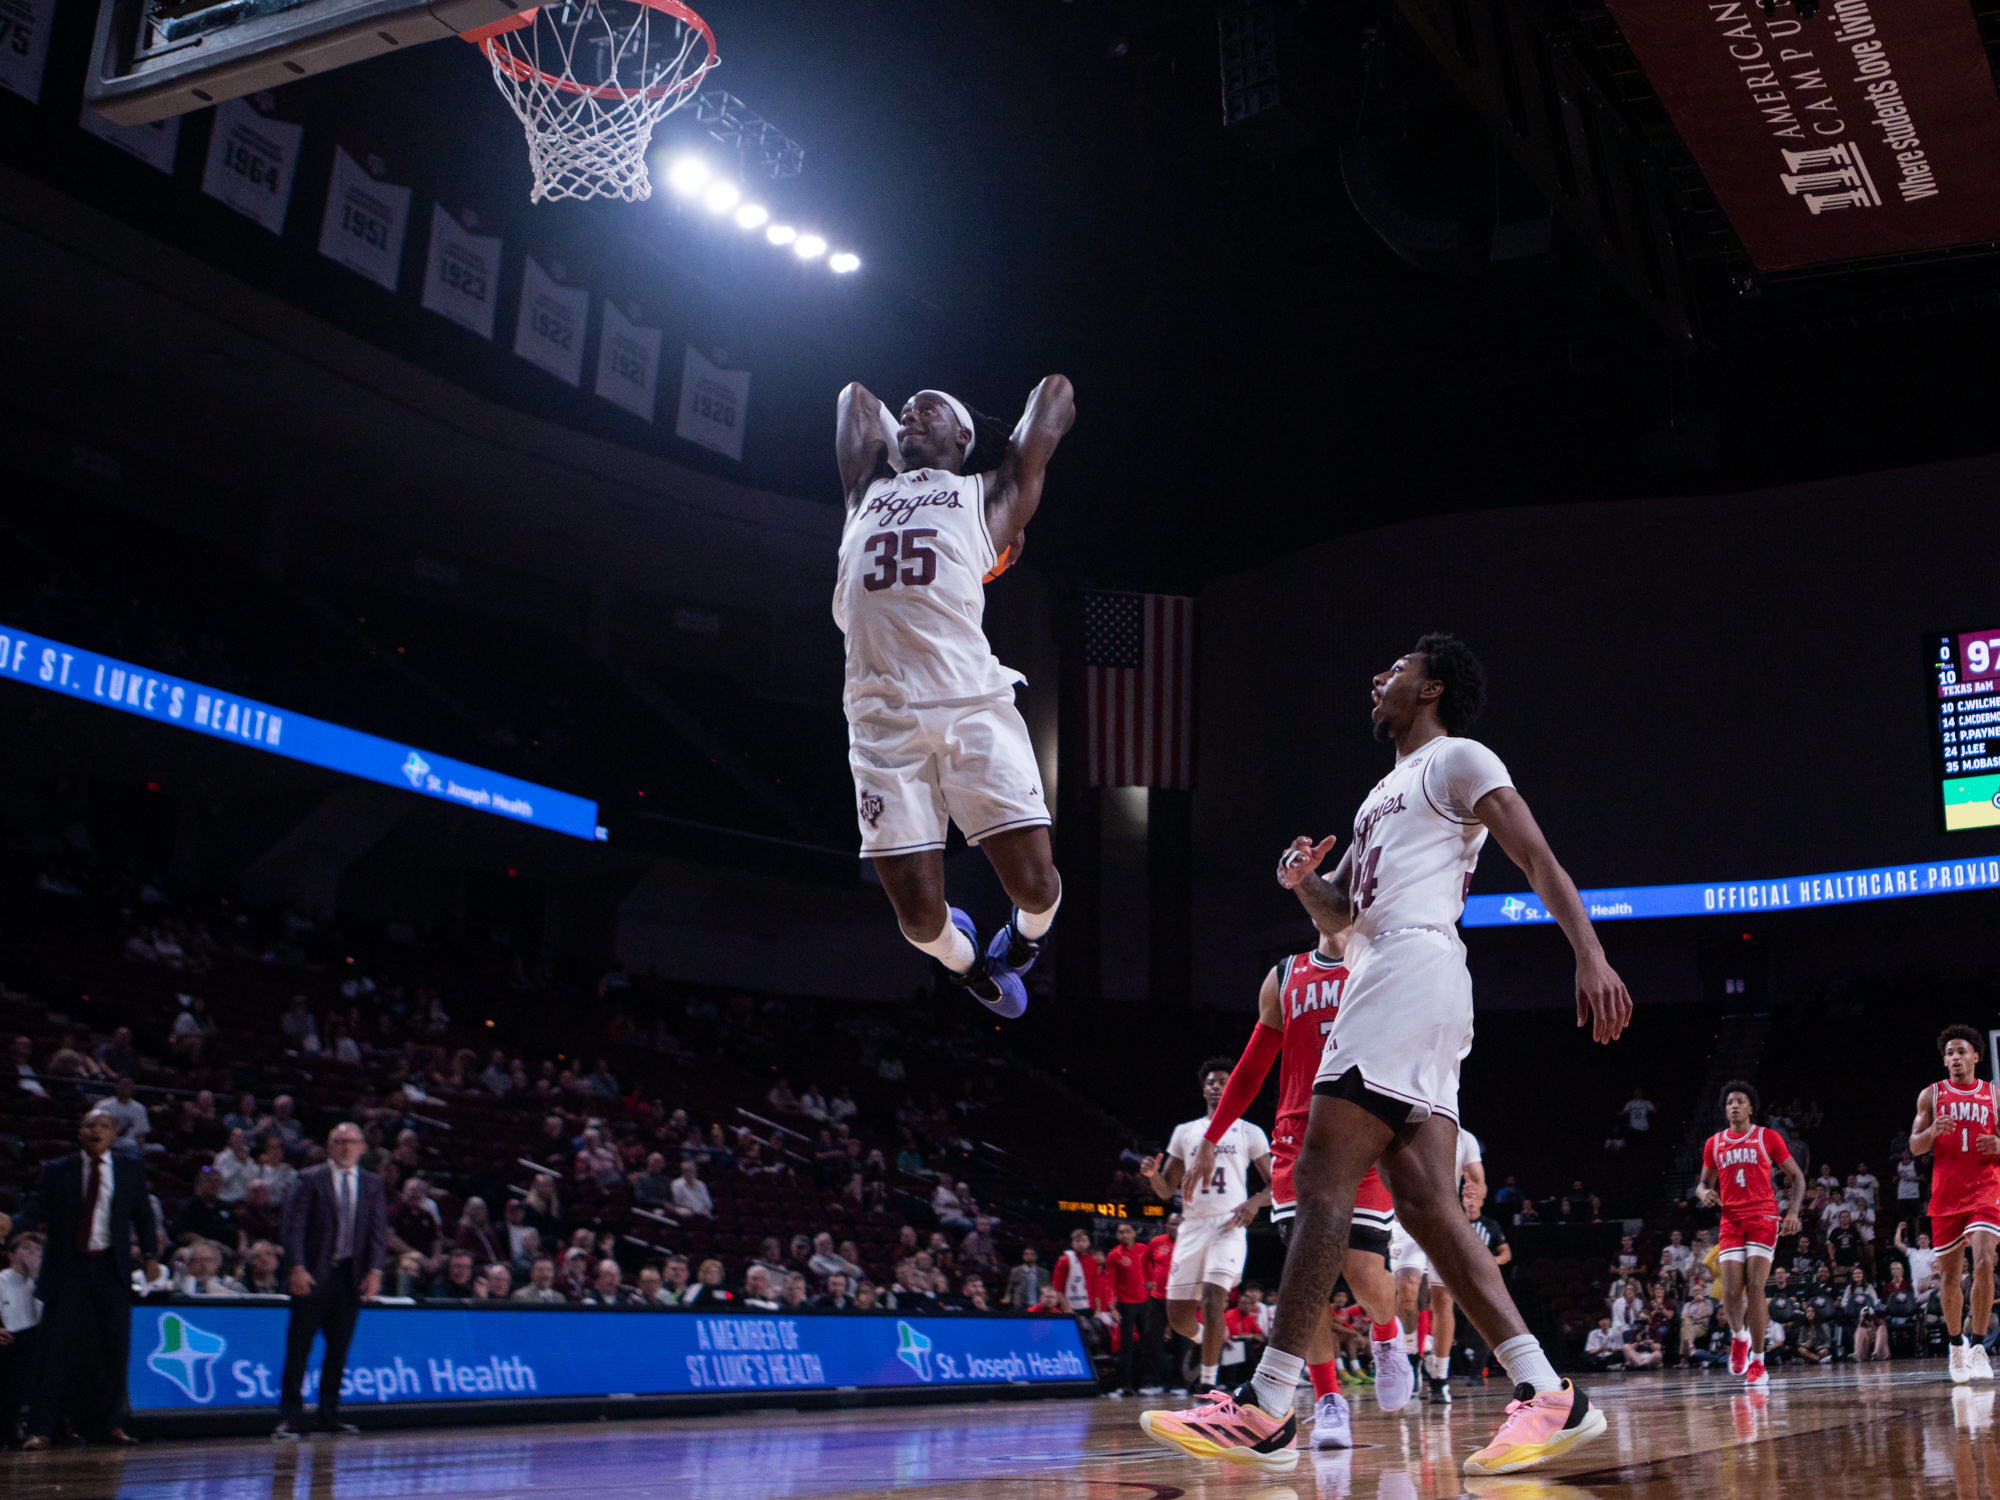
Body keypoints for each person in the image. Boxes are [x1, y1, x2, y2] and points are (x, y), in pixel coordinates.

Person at [1145, 636, 1630, 1477]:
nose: (1378, 677)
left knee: (1322, 1178)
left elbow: (1535, 853)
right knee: (1429, 1209)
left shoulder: (1460, 757)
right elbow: (1347, 920)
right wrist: (1307, 883)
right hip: (1395, 969)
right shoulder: (1379, 793)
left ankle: (1267, 1403)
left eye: (1397, 669)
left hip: (1412, 970)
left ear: (1431, 687)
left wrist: (1587, 951)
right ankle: (1548, 1389)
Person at [830, 376, 1074, 1018]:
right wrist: (905, 434)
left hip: (971, 708)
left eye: (928, 408)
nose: (910, 411)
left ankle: (1021, 944)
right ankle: (971, 970)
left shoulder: (988, 496)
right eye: (905, 409)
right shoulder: (865, 493)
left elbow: (1057, 394)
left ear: (963, 436)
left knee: (1037, 885)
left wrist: (989, 441)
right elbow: (855, 399)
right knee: (916, 921)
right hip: (881, 722)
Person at [1188, 908, 1416, 1451]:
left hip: (1365, 1132)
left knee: (1362, 1271)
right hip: (1297, 1140)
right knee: (1304, 1280)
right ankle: (1329, 1400)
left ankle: (1386, 1333)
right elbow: (1251, 1066)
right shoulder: (1285, 975)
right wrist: (1211, 1135)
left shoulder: (1382, 964)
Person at [21, 1110, 160, 1448]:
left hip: (110, 1268)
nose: (96, 1129)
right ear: (79, 1133)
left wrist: (152, 1256)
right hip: (69, 1268)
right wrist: (13, 1224)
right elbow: (35, 1209)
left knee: (116, 1347)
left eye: (104, 1125)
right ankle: (41, 1428)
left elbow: (143, 1215)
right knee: (54, 1349)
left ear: (114, 1134)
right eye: (89, 1125)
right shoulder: (58, 1170)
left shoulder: (129, 1167)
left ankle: (111, 1424)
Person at [1140, 1059, 1274, 1401]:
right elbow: (1167, 1190)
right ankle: (1206, 1338)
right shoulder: (1185, 1131)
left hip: (1228, 1225)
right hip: (1192, 1226)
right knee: (1178, 1317)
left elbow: (1277, 1183)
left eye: (1223, 1081)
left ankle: (1208, 1386)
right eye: (1211, 1082)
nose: (1216, 1086)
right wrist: (1153, 1175)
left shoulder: (1249, 1131)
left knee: (1215, 1298)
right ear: (1203, 1089)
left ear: (1232, 1088)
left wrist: (1254, 1203)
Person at [274, 1123, 389, 1438]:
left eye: (352, 1142)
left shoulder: (372, 1183)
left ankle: (328, 1414)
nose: (346, 1148)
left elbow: (378, 1232)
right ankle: (291, 1417)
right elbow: (293, 1228)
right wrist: (296, 1266)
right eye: (339, 1142)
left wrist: (375, 1270)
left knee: (338, 1349)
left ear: (363, 1148)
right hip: (313, 1274)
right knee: (299, 1348)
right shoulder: (309, 1178)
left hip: (350, 1275)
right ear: (329, 1145)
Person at [1697, 1079, 1804, 1387]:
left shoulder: (1767, 1137)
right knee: (1731, 1291)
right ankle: (1739, 1337)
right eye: (1730, 1101)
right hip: (1731, 1220)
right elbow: (1703, 1184)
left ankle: (1758, 1359)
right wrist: (1703, 1193)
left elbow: (1796, 1176)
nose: (1734, 1104)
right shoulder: (1714, 1143)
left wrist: (1793, 1211)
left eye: (1740, 1100)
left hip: (1763, 1217)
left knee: (1755, 1288)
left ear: (1751, 1108)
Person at [1910, 1023, 2000, 1383]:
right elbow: (1915, 1146)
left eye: (1961, 1051)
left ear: (1976, 1056)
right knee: (1949, 1277)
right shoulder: (1931, 1095)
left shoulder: (1994, 1095)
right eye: (1949, 1053)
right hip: (1946, 1194)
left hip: (1984, 1189)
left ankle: (1979, 1347)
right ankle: (1956, 1346)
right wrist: (1932, 1132)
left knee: (1983, 1263)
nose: (1955, 1058)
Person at [1389, 1121, 1484, 1406]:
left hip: (1445, 1220)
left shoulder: (1463, 1137)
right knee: (1407, 1287)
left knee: (1442, 1299)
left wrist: (1474, 1194)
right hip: (1404, 1220)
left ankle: (1439, 1377)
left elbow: (1479, 1180)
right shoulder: (1401, 1128)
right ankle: (1411, 1357)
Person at [1105, 1221, 1158, 1397]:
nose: (1124, 1235)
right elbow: (1109, 1282)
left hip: (1146, 1302)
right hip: (1126, 1304)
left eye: (1128, 1231)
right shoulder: (1114, 1255)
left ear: (1134, 1233)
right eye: (1121, 1232)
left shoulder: (1144, 1249)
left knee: (1147, 1343)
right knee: (1126, 1346)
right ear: (1117, 1236)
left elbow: (1153, 1270)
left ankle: (1145, 1383)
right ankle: (1126, 1385)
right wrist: (1111, 1306)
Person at [0, 1232, 44, 1442]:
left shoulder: (42, 1284)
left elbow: (44, 1317)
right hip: (8, 1340)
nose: (32, 1253)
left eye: (37, 1250)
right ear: (12, 1255)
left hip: (32, 1341)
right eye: (26, 1248)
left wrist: (36, 1275)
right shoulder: (2, 1280)